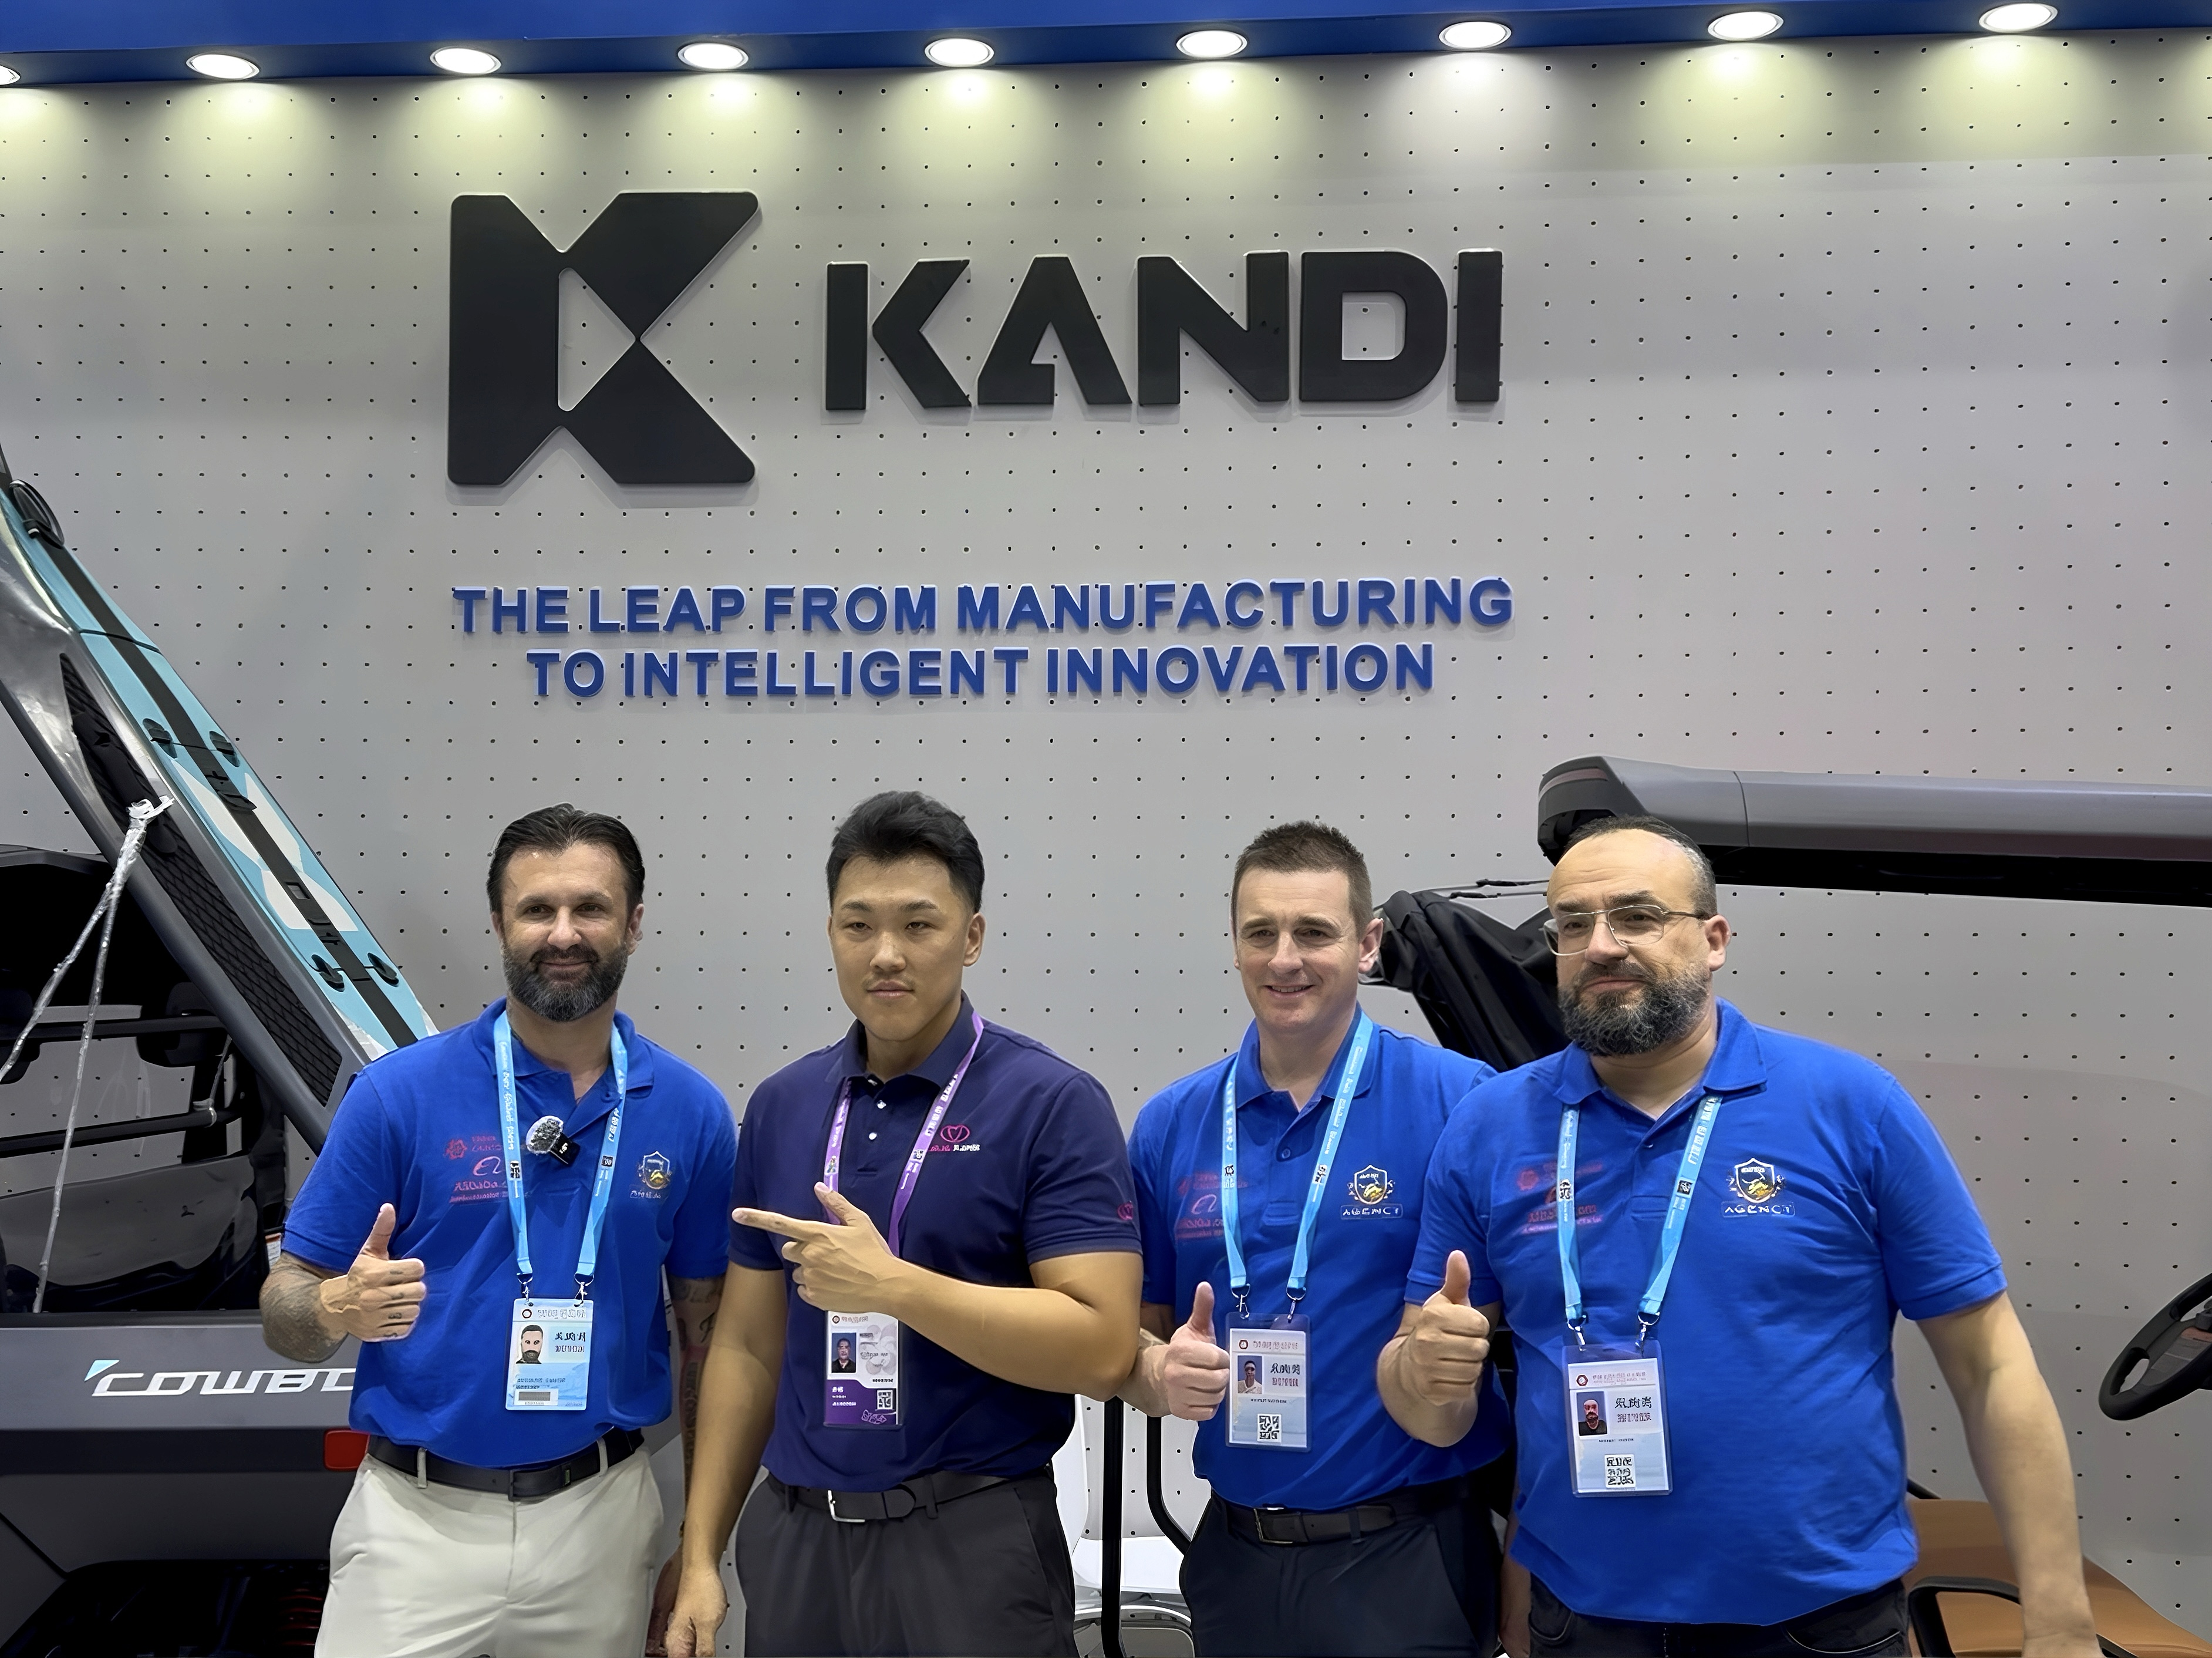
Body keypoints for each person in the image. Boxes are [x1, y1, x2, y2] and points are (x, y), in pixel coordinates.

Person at [1385, 814, 2099, 1658]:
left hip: (1817, 1623)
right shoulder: (1490, 1127)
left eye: (1638, 916)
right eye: (1572, 924)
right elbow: (1429, 1410)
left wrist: (2059, 1622)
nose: (1601, 945)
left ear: (1715, 939)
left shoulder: (1852, 1108)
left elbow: (1991, 1367)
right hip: (1583, 1619)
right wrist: (1423, 1375)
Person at [665, 791, 1141, 1658]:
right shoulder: (782, 1106)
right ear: (831, 934)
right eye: (859, 926)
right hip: (799, 1539)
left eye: (919, 925)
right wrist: (702, 1555)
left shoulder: (1051, 1103)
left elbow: (1103, 1348)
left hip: (970, 1541)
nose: (886, 954)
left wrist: (895, 1289)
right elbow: (747, 1347)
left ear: (972, 936)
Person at [260, 805, 739, 1658]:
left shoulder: (691, 1112)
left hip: (601, 1520)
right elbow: (283, 1307)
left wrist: (700, 1549)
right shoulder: (398, 1095)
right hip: (414, 1523)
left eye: (590, 908)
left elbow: (709, 1333)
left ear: (633, 924)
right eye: (536, 910)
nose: (564, 933)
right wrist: (335, 1307)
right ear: (499, 924)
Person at [1119, 822, 1508, 1658]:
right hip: (1234, 1558)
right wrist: (1153, 1372)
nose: (1284, 959)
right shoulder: (1171, 1124)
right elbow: (1137, 1340)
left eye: (1314, 933)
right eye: (1260, 932)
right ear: (1234, 944)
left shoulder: (1461, 1100)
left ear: (1368, 944)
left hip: (1405, 1556)